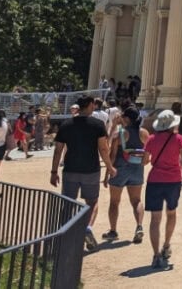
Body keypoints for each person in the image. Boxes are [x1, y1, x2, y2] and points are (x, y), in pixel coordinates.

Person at [51, 96, 117, 252]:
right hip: (91, 169)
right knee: (92, 202)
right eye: (93, 104)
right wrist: (110, 167)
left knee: (68, 203)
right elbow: (103, 149)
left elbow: (58, 150)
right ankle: (87, 228)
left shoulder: (66, 124)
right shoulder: (97, 125)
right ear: (89, 105)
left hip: (70, 169)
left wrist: (54, 171)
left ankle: (65, 236)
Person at [145, 109, 182, 270]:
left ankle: (156, 255)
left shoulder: (151, 139)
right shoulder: (178, 139)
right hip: (173, 180)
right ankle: (166, 245)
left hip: (155, 180)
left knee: (155, 219)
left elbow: (145, 161)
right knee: (171, 213)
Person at [104, 106, 148, 244]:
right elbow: (148, 153)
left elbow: (112, 154)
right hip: (137, 168)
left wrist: (107, 173)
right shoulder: (144, 133)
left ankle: (113, 230)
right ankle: (139, 226)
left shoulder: (120, 133)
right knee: (136, 200)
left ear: (127, 119)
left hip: (119, 168)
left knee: (114, 202)